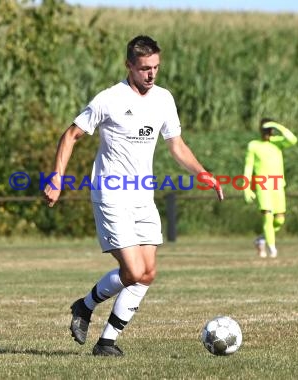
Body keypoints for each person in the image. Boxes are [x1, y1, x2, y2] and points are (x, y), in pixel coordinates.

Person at [43, 35, 223, 357]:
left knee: (147, 273)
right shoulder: (109, 99)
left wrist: (203, 173)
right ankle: (85, 306)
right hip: (111, 196)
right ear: (129, 66)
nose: (151, 74)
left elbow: (176, 145)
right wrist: (56, 178)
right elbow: (70, 136)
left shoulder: (164, 99)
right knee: (132, 272)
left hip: (143, 197)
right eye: (144, 69)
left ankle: (107, 342)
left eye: (155, 67)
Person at [243, 118, 297, 258]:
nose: (268, 133)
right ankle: (272, 249)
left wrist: (278, 126)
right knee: (267, 216)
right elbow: (248, 167)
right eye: (265, 130)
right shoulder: (254, 145)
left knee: (279, 219)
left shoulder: (278, 142)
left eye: (270, 130)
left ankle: (261, 239)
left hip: (278, 185)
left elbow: (293, 140)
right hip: (263, 185)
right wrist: (246, 187)